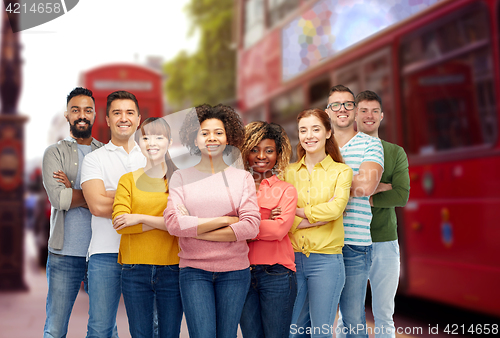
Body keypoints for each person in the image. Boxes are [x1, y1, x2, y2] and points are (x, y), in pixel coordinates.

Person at [164, 104, 260, 338]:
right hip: (194, 271)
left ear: (228, 138)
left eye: (218, 132)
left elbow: (250, 226)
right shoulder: (181, 177)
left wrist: (193, 228)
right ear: (194, 139)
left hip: (235, 272)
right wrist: (225, 220)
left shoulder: (242, 177)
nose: (211, 138)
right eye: (204, 133)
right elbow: (174, 223)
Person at [81, 91, 146, 338]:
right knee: (100, 328)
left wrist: (113, 193)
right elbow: (96, 206)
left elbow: (164, 204)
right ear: (107, 120)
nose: (123, 118)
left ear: (139, 119)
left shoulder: (154, 158)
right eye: (116, 113)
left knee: (148, 328)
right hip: (105, 253)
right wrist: (140, 200)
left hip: (145, 252)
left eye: (129, 112)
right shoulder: (94, 160)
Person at [111, 117, 183, 337]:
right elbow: (121, 224)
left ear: (169, 142)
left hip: (173, 267)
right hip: (134, 268)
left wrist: (140, 218)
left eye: (159, 137)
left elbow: (183, 225)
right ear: (139, 142)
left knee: (169, 334)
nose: (152, 142)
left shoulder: (179, 179)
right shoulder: (128, 180)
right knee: (140, 334)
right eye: (145, 137)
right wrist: (166, 222)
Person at [42, 87, 104, 338]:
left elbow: (118, 200)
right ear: (67, 115)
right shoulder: (54, 153)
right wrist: (94, 197)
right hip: (63, 254)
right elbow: (59, 198)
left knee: (105, 329)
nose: (82, 115)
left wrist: (74, 190)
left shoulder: (106, 153)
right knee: (55, 329)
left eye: (87, 110)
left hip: (102, 254)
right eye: (75, 110)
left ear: (95, 115)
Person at [285, 108, 353, 338]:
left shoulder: (341, 172)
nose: (309, 135)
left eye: (315, 129)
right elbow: (280, 216)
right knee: (293, 332)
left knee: (320, 333)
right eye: (303, 130)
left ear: (327, 132)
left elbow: (336, 209)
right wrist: (316, 217)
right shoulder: (288, 173)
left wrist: (299, 212)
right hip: (292, 261)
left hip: (326, 262)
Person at [327, 85, 384, 338]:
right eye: (336, 105)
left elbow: (367, 186)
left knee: (352, 319)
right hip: (320, 242)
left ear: (355, 110)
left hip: (354, 243)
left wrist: (326, 183)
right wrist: (351, 178)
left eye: (348, 104)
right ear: (328, 112)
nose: (342, 109)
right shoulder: (317, 143)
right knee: (310, 317)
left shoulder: (371, 145)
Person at [355, 90, 410, 338]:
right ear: (355, 115)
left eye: (374, 111)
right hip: (350, 242)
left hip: (385, 241)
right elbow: (337, 192)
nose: (369, 116)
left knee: (384, 314)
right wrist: (380, 187)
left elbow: (401, 195)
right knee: (351, 313)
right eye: (364, 110)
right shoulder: (344, 151)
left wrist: (363, 193)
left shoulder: (395, 152)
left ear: (382, 116)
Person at [239, 122, 298, 338]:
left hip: (277, 274)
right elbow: (225, 224)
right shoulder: (237, 188)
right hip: (241, 273)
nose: (261, 156)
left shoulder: (286, 190)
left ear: (278, 153)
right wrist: (264, 217)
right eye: (254, 149)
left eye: (269, 150)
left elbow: (278, 230)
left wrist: (243, 226)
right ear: (245, 151)